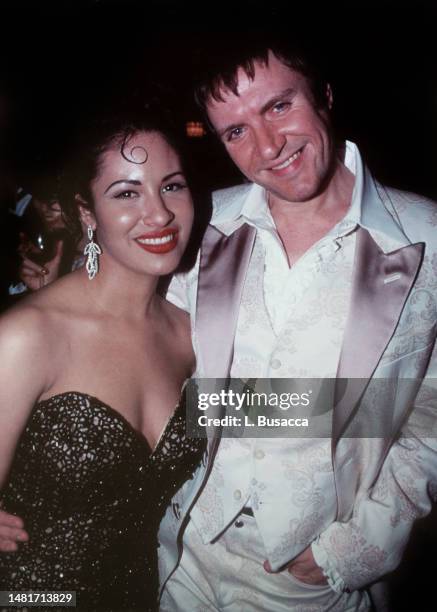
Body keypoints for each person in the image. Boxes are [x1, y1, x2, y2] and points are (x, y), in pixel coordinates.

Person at [156, 35, 437, 611]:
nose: (267, 146)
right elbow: (145, 353)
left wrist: (356, 546)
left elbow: (432, 419)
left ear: (324, 95)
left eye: (278, 106)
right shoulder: (209, 224)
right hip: (185, 552)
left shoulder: (426, 236)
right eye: (235, 131)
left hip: (309, 578)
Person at [0, 109, 205, 611]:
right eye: (127, 193)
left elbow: (297, 412)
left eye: (172, 186)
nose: (159, 214)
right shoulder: (30, 335)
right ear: (87, 213)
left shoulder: (191, 337)